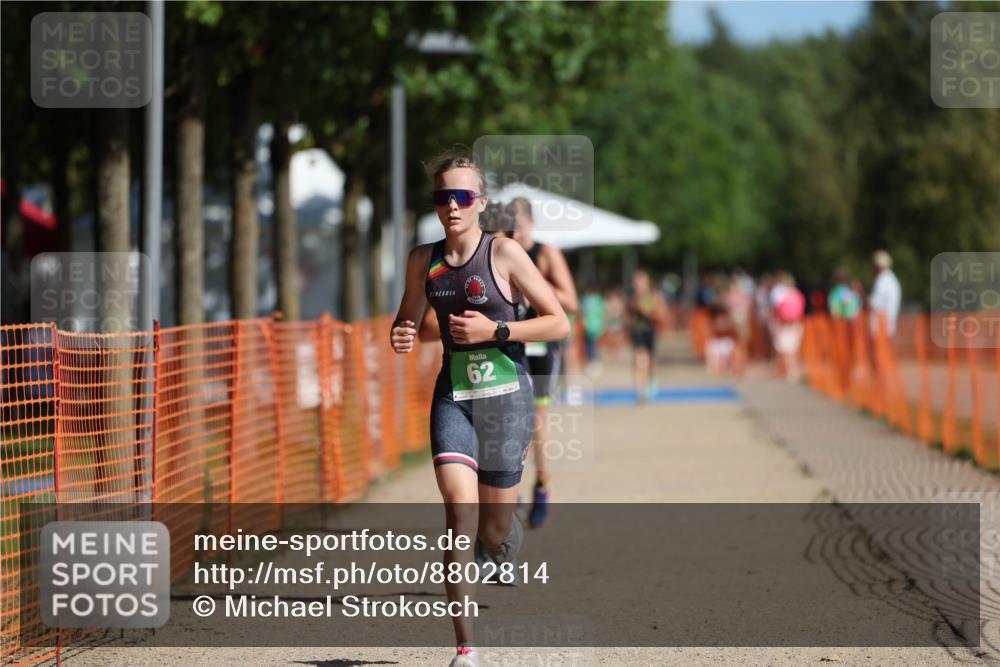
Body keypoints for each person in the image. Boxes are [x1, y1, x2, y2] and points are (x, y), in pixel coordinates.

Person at [390, 150, 569, 667]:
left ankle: (503, 541)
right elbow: (408, 319)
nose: (452, 205)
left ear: (481, 203)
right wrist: (401, 334)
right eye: (443, 196)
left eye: (462, 196)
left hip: (507, 402)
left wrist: (498, 329)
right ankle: (465, 649)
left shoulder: (505, 253)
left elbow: (558, 321)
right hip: (454, 399)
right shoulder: (422, 260)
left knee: (492, 531)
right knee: (458, 514)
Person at [509, 197, 579, 529]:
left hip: (540, 347)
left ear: (532, 224)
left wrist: (535, 280)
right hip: (510, 343)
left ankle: (542, 486)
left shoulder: (547, 254)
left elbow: (571, 302)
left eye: (520, 227)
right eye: (510, 228)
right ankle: (510, 489)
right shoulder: (500, 251)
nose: (516, 233)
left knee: (536, 421)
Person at [628, 269, 668, 402]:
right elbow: (628, 317)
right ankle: (640, 391)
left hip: (650, 332)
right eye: (636, 282)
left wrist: (647, 312)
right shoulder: (633, 298)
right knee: (640, 361)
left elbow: (662, 315)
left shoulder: (655, 296)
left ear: (647, 282)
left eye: (640, 282)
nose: (638, 285)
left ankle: (649, 383)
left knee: (649, 363)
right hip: (637, 333)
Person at [770, 272, 805, 382]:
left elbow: (777, 311)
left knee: (786, 350)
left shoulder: (783, 296)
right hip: (794, 324)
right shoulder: (798, 295)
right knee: (792, 350)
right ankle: (792, 370)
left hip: (785, 325)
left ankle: (790, 371)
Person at [869, 249, 901, 337]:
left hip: (880, 330)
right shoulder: (891, 279)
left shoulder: (882, 280)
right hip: (887, 329)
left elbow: (873, 304)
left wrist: (860, 293)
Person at [580, 285, 606, 375]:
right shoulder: (598, 299)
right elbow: (602, 313)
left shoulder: (585, 299)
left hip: (589, 326)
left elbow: (582, 312)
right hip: (595, 326)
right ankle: (594, 363)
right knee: (594, 345)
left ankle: (593, 362)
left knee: (591, 346)